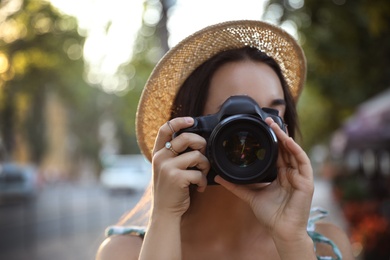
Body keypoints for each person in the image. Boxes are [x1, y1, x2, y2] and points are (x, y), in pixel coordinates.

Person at [96, 20, 354, 260]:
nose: (256, 131)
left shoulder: (325, 246)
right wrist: (164, 218)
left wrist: (292, 240)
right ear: (190, 129)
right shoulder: (124, 253)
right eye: (235, 115)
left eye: (272, 112)